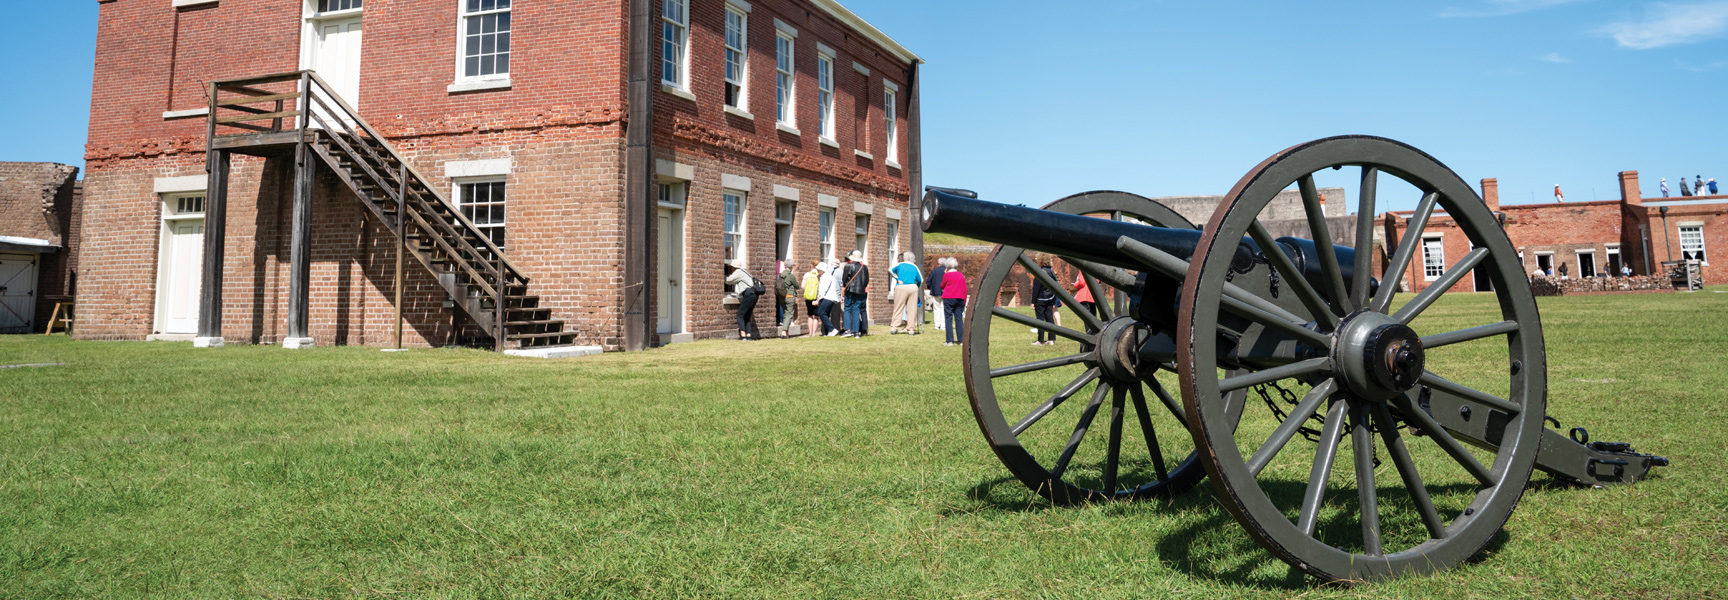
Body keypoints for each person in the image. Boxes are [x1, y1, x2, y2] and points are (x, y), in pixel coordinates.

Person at [723, 261, 761, 340]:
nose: (730, 269)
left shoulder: (738, 272)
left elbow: (728, 280)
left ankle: (743, 335)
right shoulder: (745, 271)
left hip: (748, 294)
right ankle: (748, 335)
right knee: (747, 315)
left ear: (733, 267)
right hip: (754, 294)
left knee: (740, 315)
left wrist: (721, 276)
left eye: (731, 267)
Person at [889, 251, 923, 334]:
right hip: (912, 287)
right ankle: (911, 329)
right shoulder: (915, 266)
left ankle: (894, 327)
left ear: (904, 257)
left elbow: (890, 270)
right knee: (912, 309)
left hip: (901, 286)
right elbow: (921, 280)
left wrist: (897, 279)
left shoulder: (900, 264)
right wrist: (916, 287)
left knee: (898, 307)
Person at [840, 250, 870, 338]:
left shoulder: (848, 266)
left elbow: (844, 279)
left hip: (850, 290)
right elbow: (866, 281)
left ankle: (847, 330)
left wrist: (844, 287)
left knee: (847, 308)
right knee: (857, 309)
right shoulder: (864, 267)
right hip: (860, 291)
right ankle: (856, 332)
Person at [1031, 258, 1059, 345]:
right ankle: (1051, 339)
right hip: (1050, 298)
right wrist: (1054, 300)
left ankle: (1040, 340)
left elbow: (1036, 289)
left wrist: (1033, 302)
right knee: (1050, 319)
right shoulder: (1051, 272)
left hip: (1041, 299)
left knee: (1040, 320)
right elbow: (1055, 286)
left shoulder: (1040, 272)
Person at [941, 257, 968, 345]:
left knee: (948, 319)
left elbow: (942, 286)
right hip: (959, 298)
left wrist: (945, 274)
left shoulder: (947, 275)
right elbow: (964, 289)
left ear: (947, 267)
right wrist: (964, 301)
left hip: (949, 298)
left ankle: (949, 340)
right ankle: (961, 340)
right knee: (959, 319)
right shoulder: (961, 275)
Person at [816, 261, 843, 336]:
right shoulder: (825, 276)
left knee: (821, 312)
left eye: (818, 269)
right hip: (829, 297)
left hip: (828, 297)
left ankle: (832, 329)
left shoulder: (826, 276)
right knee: (826, 314)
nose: (817, 270)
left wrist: (818, 298)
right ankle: (826, 332)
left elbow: (824, 289)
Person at [927, 257, 950, 332]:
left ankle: (937, 324)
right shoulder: (947, 271)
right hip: (945, 292)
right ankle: (943, 325)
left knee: (937, 308)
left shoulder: (934, 271)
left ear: (939, 263)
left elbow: (929, 281)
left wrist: (931, 288)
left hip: (936, 292)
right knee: (944, 308)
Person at [776, 262, 798, 338]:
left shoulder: (780, 275)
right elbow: (797, 286)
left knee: (786, 314)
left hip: (782, 297)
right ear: (791, 267)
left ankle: (786, 333)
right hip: (789, 296)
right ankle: (784, 332)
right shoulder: (791, 276)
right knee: (789, 314)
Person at [802, 260, 823, 337]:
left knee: (810, 315)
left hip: (808, 297)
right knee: (816, 316)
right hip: (816, 297)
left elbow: (802, 286)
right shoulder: (819, 275)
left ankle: (810, 332)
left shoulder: (807, 274)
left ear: (811, 265)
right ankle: (814, 333)